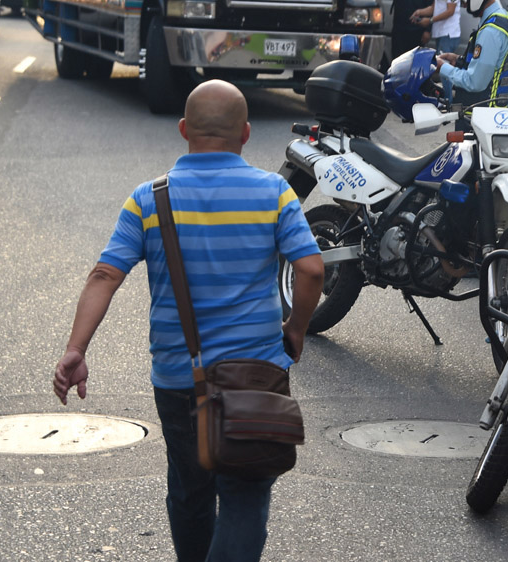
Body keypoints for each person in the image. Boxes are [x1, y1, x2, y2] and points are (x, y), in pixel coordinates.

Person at [52, 80, 325, 562]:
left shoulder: (149, 199)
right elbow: (310, 269)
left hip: (180, 377)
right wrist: (296, 328)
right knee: (244, 493)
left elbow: (104, 275)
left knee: (189, 488)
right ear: (245, 134)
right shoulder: (274, 192)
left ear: (183, 130)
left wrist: (77, 349)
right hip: (256, 374)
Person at [410, 0, 461, 94]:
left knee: (445, 71)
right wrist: (420, 12)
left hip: (448, 33)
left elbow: (450, 11)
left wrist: (430, 21)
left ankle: (449, 101)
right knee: (442, 70)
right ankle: (447, 99)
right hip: (441, 33)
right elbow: (435, 7)